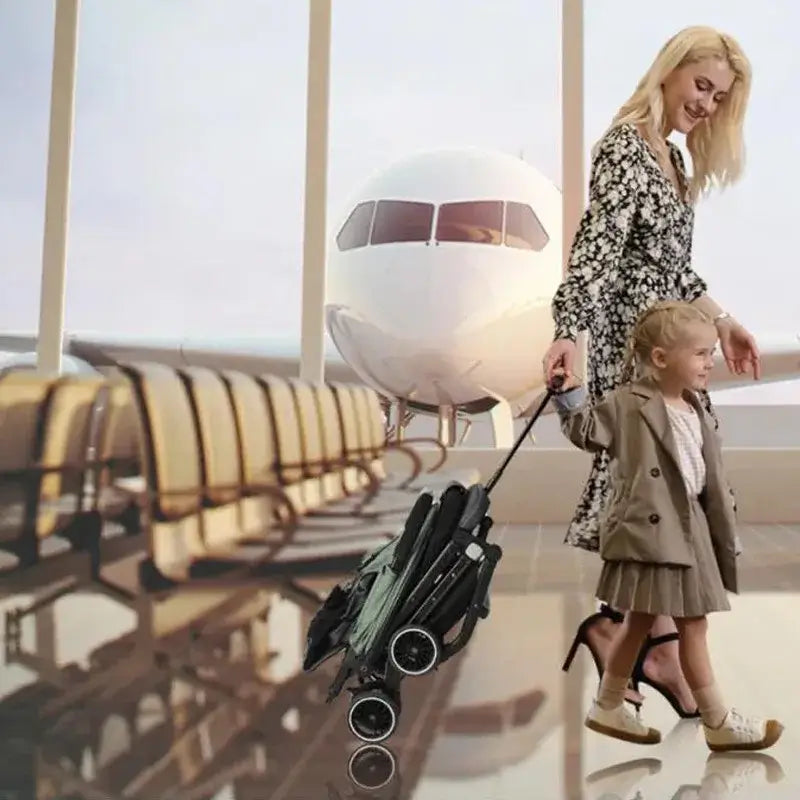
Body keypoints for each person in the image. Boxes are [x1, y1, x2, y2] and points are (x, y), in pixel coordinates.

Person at [543, 25, 761, 718]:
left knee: (676, 493)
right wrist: (569, 335)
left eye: (719, 97)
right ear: (669, 72)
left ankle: (636, 635)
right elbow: (596, 255)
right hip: (632, 355)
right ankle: (646, 641)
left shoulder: (674, 162)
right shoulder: (624, 150)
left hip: (670, 349)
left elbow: (669, 265)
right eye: (702, 86)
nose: (707, 105)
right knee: (651, 497)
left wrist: (722, 318)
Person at [550, 300, 783, 751]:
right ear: (660, 358)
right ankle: (717, 720)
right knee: (692, 626)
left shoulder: (694, 406)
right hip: (652, 533)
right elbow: (585, 431)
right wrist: (568, 394)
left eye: (710, 353)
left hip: (689, 527)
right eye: (700, 354)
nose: (709, 362)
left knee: (638, 621)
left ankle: (608, 705)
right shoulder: (628, 404)